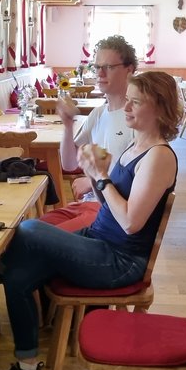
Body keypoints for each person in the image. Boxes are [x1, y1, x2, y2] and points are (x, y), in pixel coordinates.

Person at [0, 71, 179, 370]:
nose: (127, 108)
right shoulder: (135, 145)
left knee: (28, 228)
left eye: (136, 102)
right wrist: (93, 171)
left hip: (119, 261)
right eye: (129, 100)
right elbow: (97, 188)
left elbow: (130, 223)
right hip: (98, 242)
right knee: (17, 276)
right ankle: (27, 367)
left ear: (161, 109)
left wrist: (101, 176)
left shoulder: (159, 156)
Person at [44, 35, 138, 232]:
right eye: (97, 67)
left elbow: (137, 179)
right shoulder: (98, 113)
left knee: (35, 238)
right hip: (89, 203)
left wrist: (92, 179)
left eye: (109, 67)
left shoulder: (137, 118)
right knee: (24, 229)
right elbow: (69, 164)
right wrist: (68, 126)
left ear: (129, 70)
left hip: (109, 212)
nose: (100, 73)